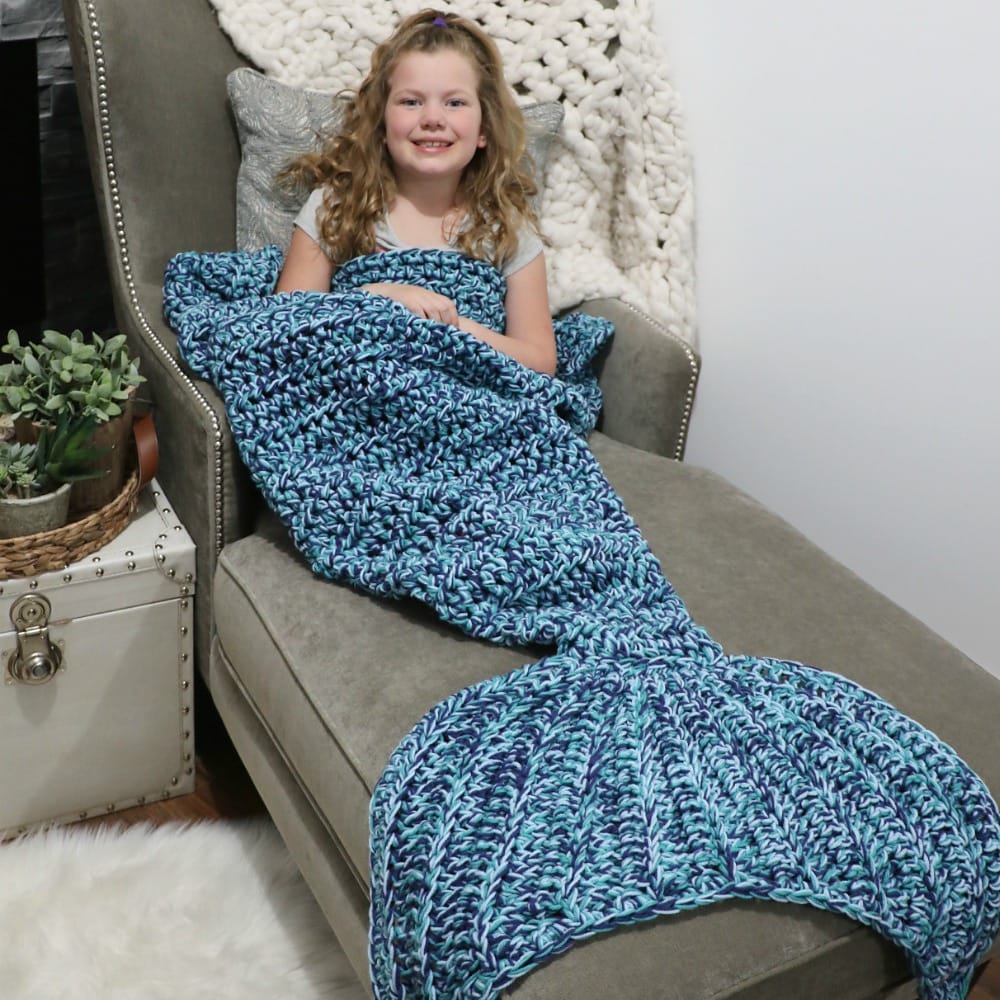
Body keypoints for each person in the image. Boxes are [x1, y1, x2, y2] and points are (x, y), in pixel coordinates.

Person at [274, 8, 558, 376]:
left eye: (455, 103)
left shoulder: (507, 230)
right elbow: (285, 324)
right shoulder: (337, 207)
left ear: (484, 129)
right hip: (358, 391)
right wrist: (378, 299)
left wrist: (454, 331)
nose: (432, 118)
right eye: (411, 102)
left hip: (472, 403)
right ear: (381, 124)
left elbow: (540, 362)